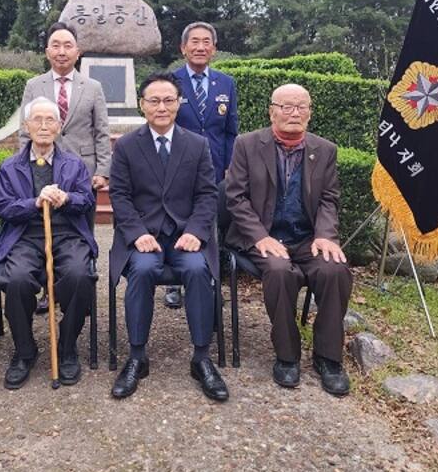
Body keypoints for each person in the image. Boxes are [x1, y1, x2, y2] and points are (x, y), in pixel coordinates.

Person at [224, 84, 352, 396]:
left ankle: (328, 356)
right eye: (286, 106)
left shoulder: (325, 150)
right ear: (272, 111)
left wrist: (325, 236)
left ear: (309, 112)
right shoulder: (247, 144)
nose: (294, 112)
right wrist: (259, 237)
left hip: (307, 237)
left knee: (334, 269)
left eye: (301, 106)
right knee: (280, 271)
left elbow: (329, 200)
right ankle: (287, 355)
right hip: (263, 236)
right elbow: (235, 197)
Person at [108, 72, 228, 402]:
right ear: (142, 105)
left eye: (169, 100)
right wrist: (136, 234)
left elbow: (207, 194)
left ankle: (201, 358)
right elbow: (119, 195)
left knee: (196, 269)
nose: (162, 107)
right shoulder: (127, 146)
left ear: (178, 104)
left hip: (183, 237)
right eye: (154, 100)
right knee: (143, 270)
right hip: (145, 235)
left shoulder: (197, 144)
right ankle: (136, 356)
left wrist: (195, 232)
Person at [0, 97, 98, 389]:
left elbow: (87, 200)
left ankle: (66, 346)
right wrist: (34, 203)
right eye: (36, 120)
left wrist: (67, 198)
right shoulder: (9, 167)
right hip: (25, 236)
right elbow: (3, 207)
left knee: (79, 275)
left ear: (59, 126)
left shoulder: (74, 165)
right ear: (26, 126)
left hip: (66, 233)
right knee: (16, 279)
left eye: (49, 120)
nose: (43, 126)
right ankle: (25, 351)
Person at [19, 22, 111, 312]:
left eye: (67, 46)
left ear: (78, 51)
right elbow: (25, 132)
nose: (61, 52)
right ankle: (49, 289)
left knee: (78, 231)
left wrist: (102, 170)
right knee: (46, 230)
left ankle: (77, 287)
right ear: (47, 51)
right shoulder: (34, 86)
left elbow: (102, 132)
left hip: (82, 174)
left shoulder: (93, 87)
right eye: (56, 45)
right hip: (43, 170)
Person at [164, 21, 239, 309]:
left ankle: (210, 278)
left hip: (217, 168)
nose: (200, 47)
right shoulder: (171, 82)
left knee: (212, 223)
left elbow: (231, 130)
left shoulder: (226, 83)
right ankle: (174, 283)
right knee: (177, 220)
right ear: (183, 48)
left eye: (206, 42)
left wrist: (230, 165)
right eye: (194, 41)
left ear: (214, 49)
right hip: (178, 167)